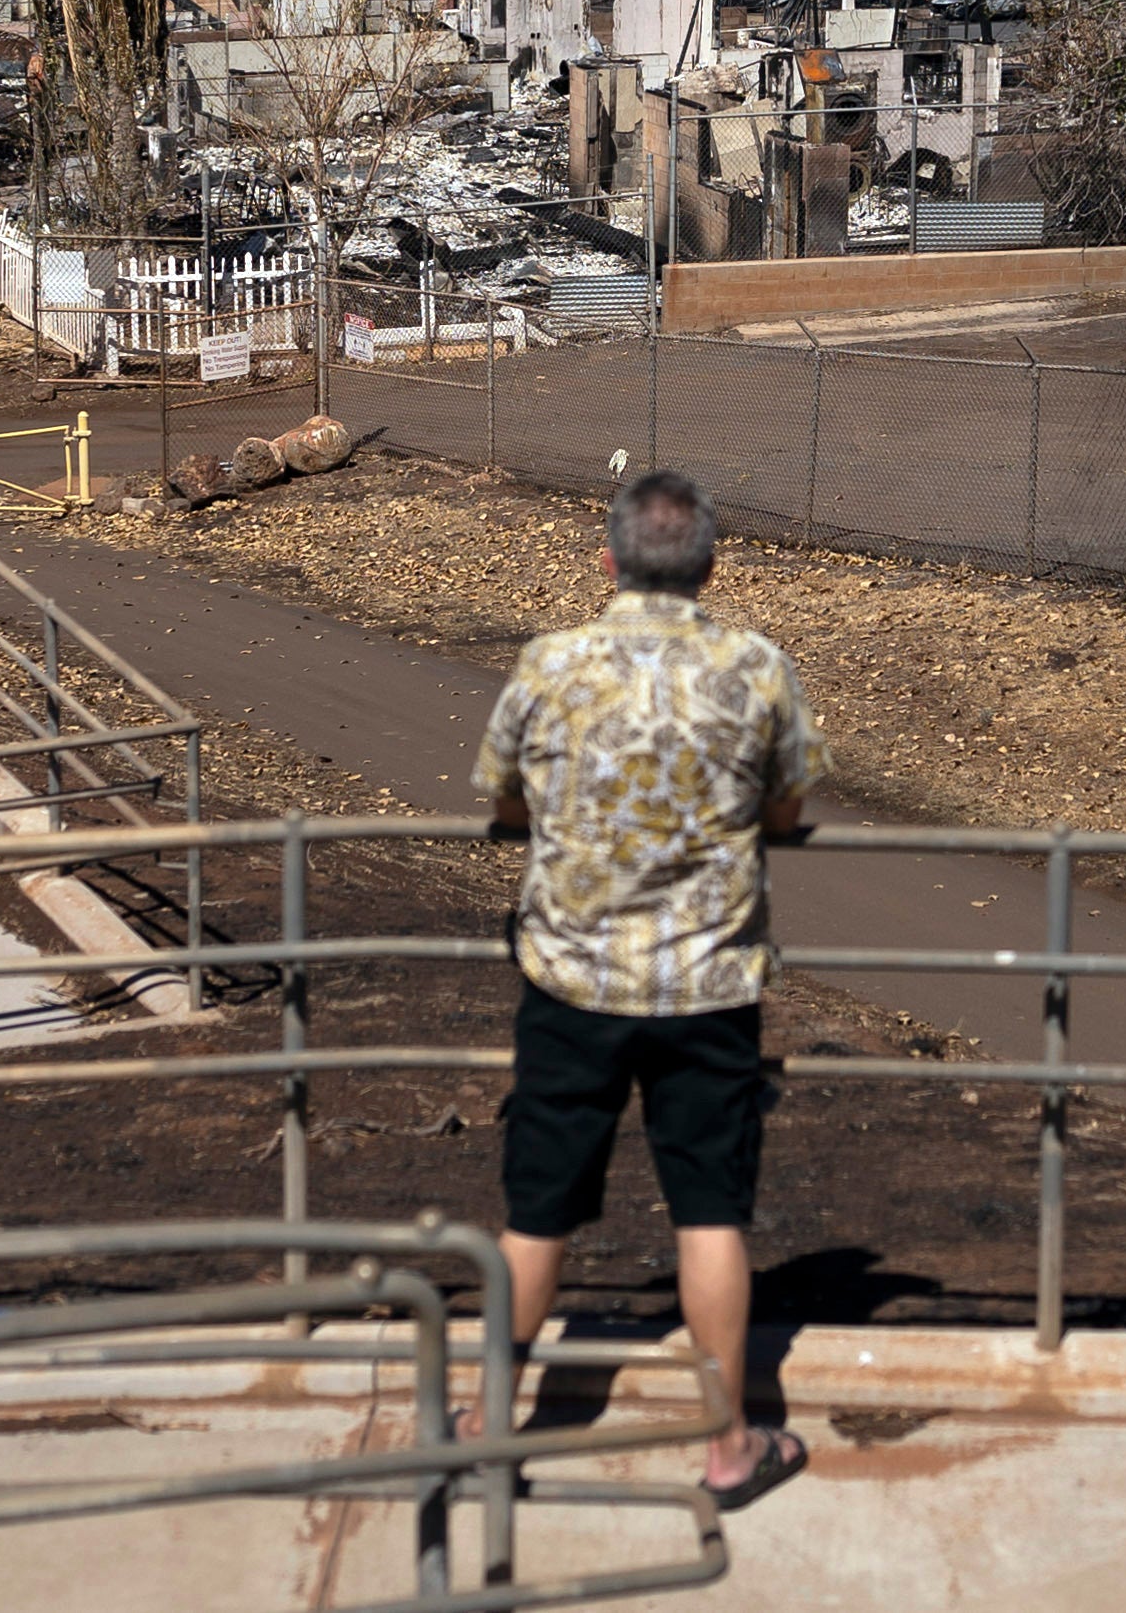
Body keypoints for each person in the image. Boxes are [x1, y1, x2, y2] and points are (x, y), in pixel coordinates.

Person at [474, 468, 823, 1512]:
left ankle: (491, 1426)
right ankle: (726, 1447)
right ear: (710, 563)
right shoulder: (757, 666)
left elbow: (500, 792)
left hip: (572, 981)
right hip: (707, 984)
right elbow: (790, 802)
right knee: (710, 1212)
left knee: (537, 1213)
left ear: (611, 559)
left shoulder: (553, 663)